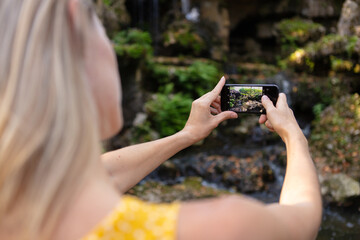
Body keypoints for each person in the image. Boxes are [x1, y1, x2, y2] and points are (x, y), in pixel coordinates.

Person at [0, 0, 322, 239]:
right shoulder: (224, 226)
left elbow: (104, 174)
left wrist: (185, 135)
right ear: (73, 23)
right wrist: (295, 138)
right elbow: (303, 216)